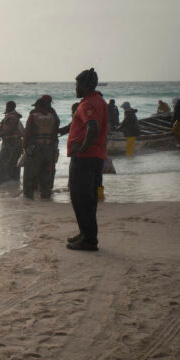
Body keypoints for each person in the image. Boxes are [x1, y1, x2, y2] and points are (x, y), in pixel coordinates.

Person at [66, 68, 108, 252]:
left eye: (77, 84)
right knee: (88, 199)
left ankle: (89, 239)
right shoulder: (99, 101)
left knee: (80, 198)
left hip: (85, 158)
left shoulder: (87, 104)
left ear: (85, 85)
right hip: (96, 157)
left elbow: (93, 128)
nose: (75, 88)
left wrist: (81, 149)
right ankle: (86, 233)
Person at [22, 98, 59, 199]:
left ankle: (28, 198)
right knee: (45, 175)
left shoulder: (33, 117)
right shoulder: (52, 118)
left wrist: (24, 147)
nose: (35, 108)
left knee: (29, 176)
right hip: (48, 149)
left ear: (39, 106)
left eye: (36, 106)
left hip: (34, 149)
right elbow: (54, 134)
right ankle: (46, 197)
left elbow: (27, 134)